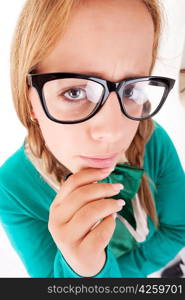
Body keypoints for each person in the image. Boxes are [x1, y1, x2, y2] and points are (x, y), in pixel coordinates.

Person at [0, 0, 185, 278]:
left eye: (131, 89)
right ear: (30, 102)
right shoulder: (11, 187)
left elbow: (178, 230)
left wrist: (114, 276)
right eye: (75, 92)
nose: (113, 132)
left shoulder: (152, 138)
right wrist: (85, 272)